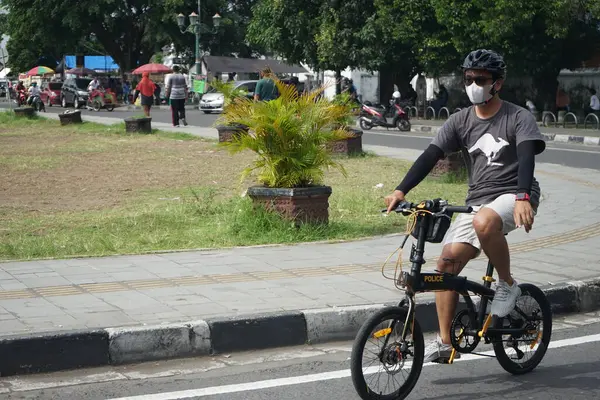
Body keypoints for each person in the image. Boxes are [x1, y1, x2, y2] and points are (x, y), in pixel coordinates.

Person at [384, 49, 546, 363]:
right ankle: (445, 343)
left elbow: (527, 157)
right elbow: (430, 156)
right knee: (445, 264)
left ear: (497, 83)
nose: (473, 84)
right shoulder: (460, 120)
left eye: (481, 79)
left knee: (486, 222)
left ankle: (508, 285)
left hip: (514, 194)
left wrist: (524, 196)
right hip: (477, 201)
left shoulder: (517, 117)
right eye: (469, 78)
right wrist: (400, 190)